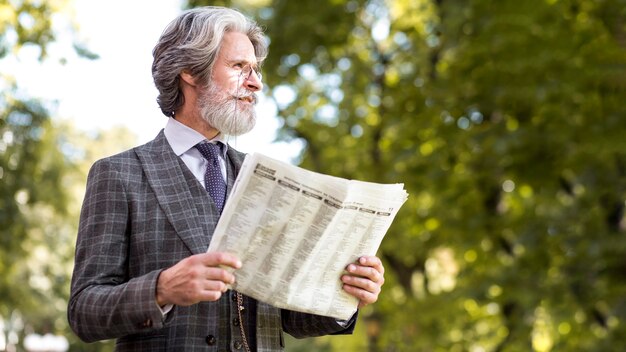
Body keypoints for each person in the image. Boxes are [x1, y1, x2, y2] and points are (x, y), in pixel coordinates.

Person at [68, 6, 385, 351]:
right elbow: (84, 312)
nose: (256, 83)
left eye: (255, 70)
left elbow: (288, 317)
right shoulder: (119, 174)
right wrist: (162, 288)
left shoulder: (266, 178)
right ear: (190, 70)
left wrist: (346, 295)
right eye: (239, 67)